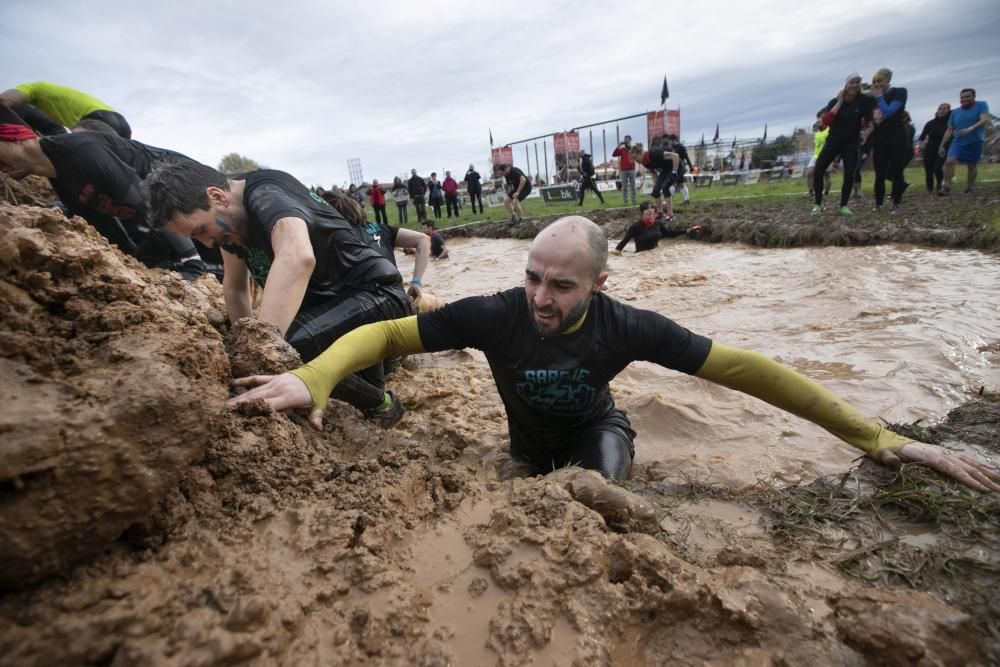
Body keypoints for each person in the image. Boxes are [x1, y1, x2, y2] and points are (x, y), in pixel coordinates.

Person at [228, 216, 1000, 493]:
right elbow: (390, 332)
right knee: (524, 487)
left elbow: (752, 372)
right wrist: (315, 375)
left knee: (597, 501)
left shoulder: (626, 326)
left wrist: (879, 438)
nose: (539, 297)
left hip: (602, 436)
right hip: (526, 449)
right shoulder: (498, 314)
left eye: (560, 285)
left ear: (600, 282)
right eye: (532, 276)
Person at [144, 161, 412, 427]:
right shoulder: (230, 228)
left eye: (201, 230)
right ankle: (379, 398)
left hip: (376, 294)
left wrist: (260, 350)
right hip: (331, 313)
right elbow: (236, 288)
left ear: (217, 197)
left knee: (284, 349)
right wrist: (242, 347)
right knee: (350, 381)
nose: (206, 244)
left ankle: (384, 404)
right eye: (196, 239)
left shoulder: (266, 194)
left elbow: (298, 256)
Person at [0, 107, 209, 278]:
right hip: (170, 222)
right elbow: (112, 234)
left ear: (13, 136)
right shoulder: (61, 183)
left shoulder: (79, 148)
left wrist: (192, 265)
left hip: (192, 187)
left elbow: (148, 200)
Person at [813, 72, 876, 216]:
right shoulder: (834, 101)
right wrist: (840, 101)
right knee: (819, 169)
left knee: (849, 174)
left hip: (851, 142)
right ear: (846, 84)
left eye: (857, 82)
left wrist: (865, 134)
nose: (854, 85)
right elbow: (825, 121)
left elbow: (870, 123)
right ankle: (818, 203)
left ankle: (844, 205)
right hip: (834, 140)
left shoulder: (864, 101)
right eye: (852, 82)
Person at [1, 81, 131, 139]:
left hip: (96, 119)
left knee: (86, 159)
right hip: (119, 121)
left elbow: (5, 100)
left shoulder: (32, 87)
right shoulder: (49, 94)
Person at [869, 68, 909, 213]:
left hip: (897, 137)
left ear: (888, 81)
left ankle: (897, 203)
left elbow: (889, 112)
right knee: (879, 173)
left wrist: (879, 97)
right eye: (874, 81)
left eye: (879, 81)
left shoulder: (899, 92)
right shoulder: (872, 98)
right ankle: (878, 204)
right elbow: (873, 119)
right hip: (880, 138)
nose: (876, 84)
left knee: (897, 170)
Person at [939, 89, 990, 195]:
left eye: (967, 96)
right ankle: (946, 187)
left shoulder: (981, 105)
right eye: (962, 97)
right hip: (958, 142)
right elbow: (949, 129)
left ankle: (970, 187)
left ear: (973, 97)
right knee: (949, 161)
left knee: (971, 165)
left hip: (975, 141)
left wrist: (970, 128)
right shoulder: (955, 112)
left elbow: (984, 119)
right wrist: (942, 145)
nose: (964, 99)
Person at [611, 201, 700, 254]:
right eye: (648, 214)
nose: (651, 217)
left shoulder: (658, 224)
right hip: (640, 257)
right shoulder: (635, 227)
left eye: (652, 214)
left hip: (655, 254)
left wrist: (687, 230)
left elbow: (669, 233)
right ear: (641, 215)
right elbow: (622, 243)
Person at [641, 136, 680, 219]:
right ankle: (660, 212)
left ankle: (670, 213)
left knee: (665, 187)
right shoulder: (645, 161)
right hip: (666, 169)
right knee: (656, 190)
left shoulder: (657, 152)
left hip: (676, 166)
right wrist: (656, 187)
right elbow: (653, 173)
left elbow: (676, 156)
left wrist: (674, 172)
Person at [918, 103, 951, 194]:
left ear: (949, 111)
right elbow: (922, 137)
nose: (942, 110)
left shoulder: (950, 124)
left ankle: (939, 184)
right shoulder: (930, 123)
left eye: (944, 109)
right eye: (940, 108)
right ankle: (929, 189)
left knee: (938, 167)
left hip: (943, 149)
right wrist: (919, 146)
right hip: (929, 149)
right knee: (928, 170)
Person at [807, 118, 832, 198]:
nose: (817, 124)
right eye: (817, 122)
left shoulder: (829, 131)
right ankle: (811, 191)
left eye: (819, 122)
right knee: (809, 172)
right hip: (816, 156)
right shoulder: (817, 133)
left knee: (826, 175)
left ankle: (826, 192)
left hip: (827, 156)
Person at [665, 134, 693, 204]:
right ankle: (686, 200)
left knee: (672, 183)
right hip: (674, 168)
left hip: (680, 168)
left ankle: (668, 201)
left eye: (670, 141)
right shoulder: (670, 147)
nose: (669, 143)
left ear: (674, 140)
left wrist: (691, 167)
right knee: (680, 184)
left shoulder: (681, 147)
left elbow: (686, 158)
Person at [612, 135, 637, 205]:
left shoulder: (633, 149)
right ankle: (625, 201)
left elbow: (636, 153)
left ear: (630, 140)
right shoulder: (622, 150)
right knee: (624, 187)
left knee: (633, 186)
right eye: (625, 140)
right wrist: (619, 146)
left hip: (632, 169)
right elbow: (614, 154)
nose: (625, 141)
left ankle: (634, 200)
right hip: (623, 170)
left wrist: (630, 147)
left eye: (627, 140)